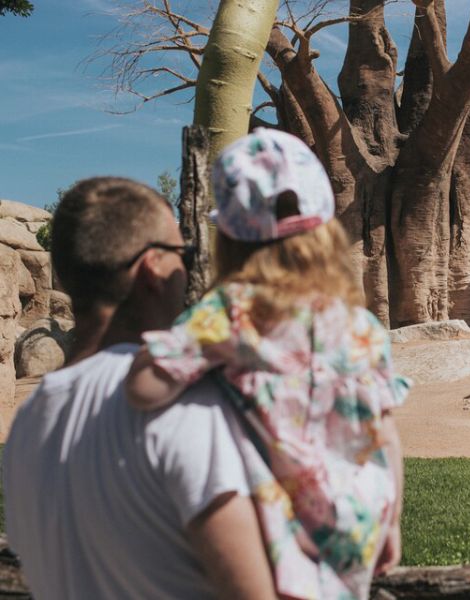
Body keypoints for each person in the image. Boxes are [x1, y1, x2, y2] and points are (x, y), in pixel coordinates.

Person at [125, 128, 409, 600]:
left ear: (232, 240)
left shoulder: (235, 312)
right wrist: (392, 521)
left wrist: (144, 353)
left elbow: (145, 390)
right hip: (363, 517)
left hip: (286, 529)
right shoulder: (363, 328)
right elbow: (387, 434)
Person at [2, 177, 277, 599]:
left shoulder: (27, 425)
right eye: (182, 254)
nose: (186, 268)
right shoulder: (185, 404)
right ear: (153, 267)